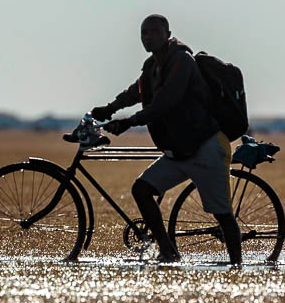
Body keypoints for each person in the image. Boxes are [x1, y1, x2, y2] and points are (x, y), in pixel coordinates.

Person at [92, 14, 242, 265]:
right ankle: (168, 251)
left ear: (167, 33)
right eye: (143, 33)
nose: (147, 37)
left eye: (153, 31)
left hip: (205, 147)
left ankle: (237, 265)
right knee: (141, 189)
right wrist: (110, 108)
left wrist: (129, 122)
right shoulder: (152, 67)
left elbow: (165, 102)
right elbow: (136, 92)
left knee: (222, 214)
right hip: (179, 151)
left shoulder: (181, 61)